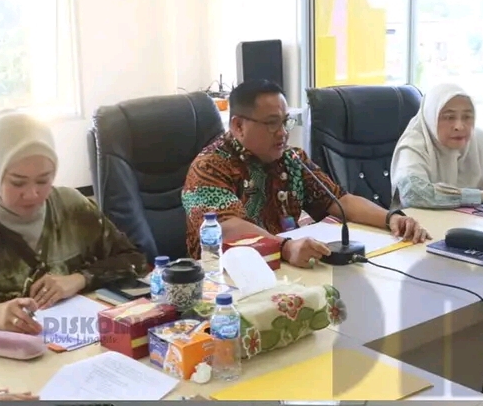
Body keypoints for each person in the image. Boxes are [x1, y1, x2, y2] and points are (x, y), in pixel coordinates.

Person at [183, 79, 429, 270]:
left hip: (287, 271)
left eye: (285, 122)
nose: (283, 133)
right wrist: (284, 247)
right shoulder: (210, 167)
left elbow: (339, 200)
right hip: (228, 282)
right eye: (272, 123)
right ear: (238, 126)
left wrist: (391, 219)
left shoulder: (292, 159)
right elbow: (224, 227)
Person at [0, 110, 147, 333]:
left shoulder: (71, 207)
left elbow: (135, 260)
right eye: (17, 183)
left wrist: (81, 278)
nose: (32, 194)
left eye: (43, 180)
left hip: (80, 341)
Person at [390, 83, 483, 210]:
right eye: (449, 117)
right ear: (431, 118)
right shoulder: (414, 145)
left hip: (473, 221)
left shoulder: (481, 140)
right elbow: (413, 194)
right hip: (423, 223)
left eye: (467, 117)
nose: (459, 126)